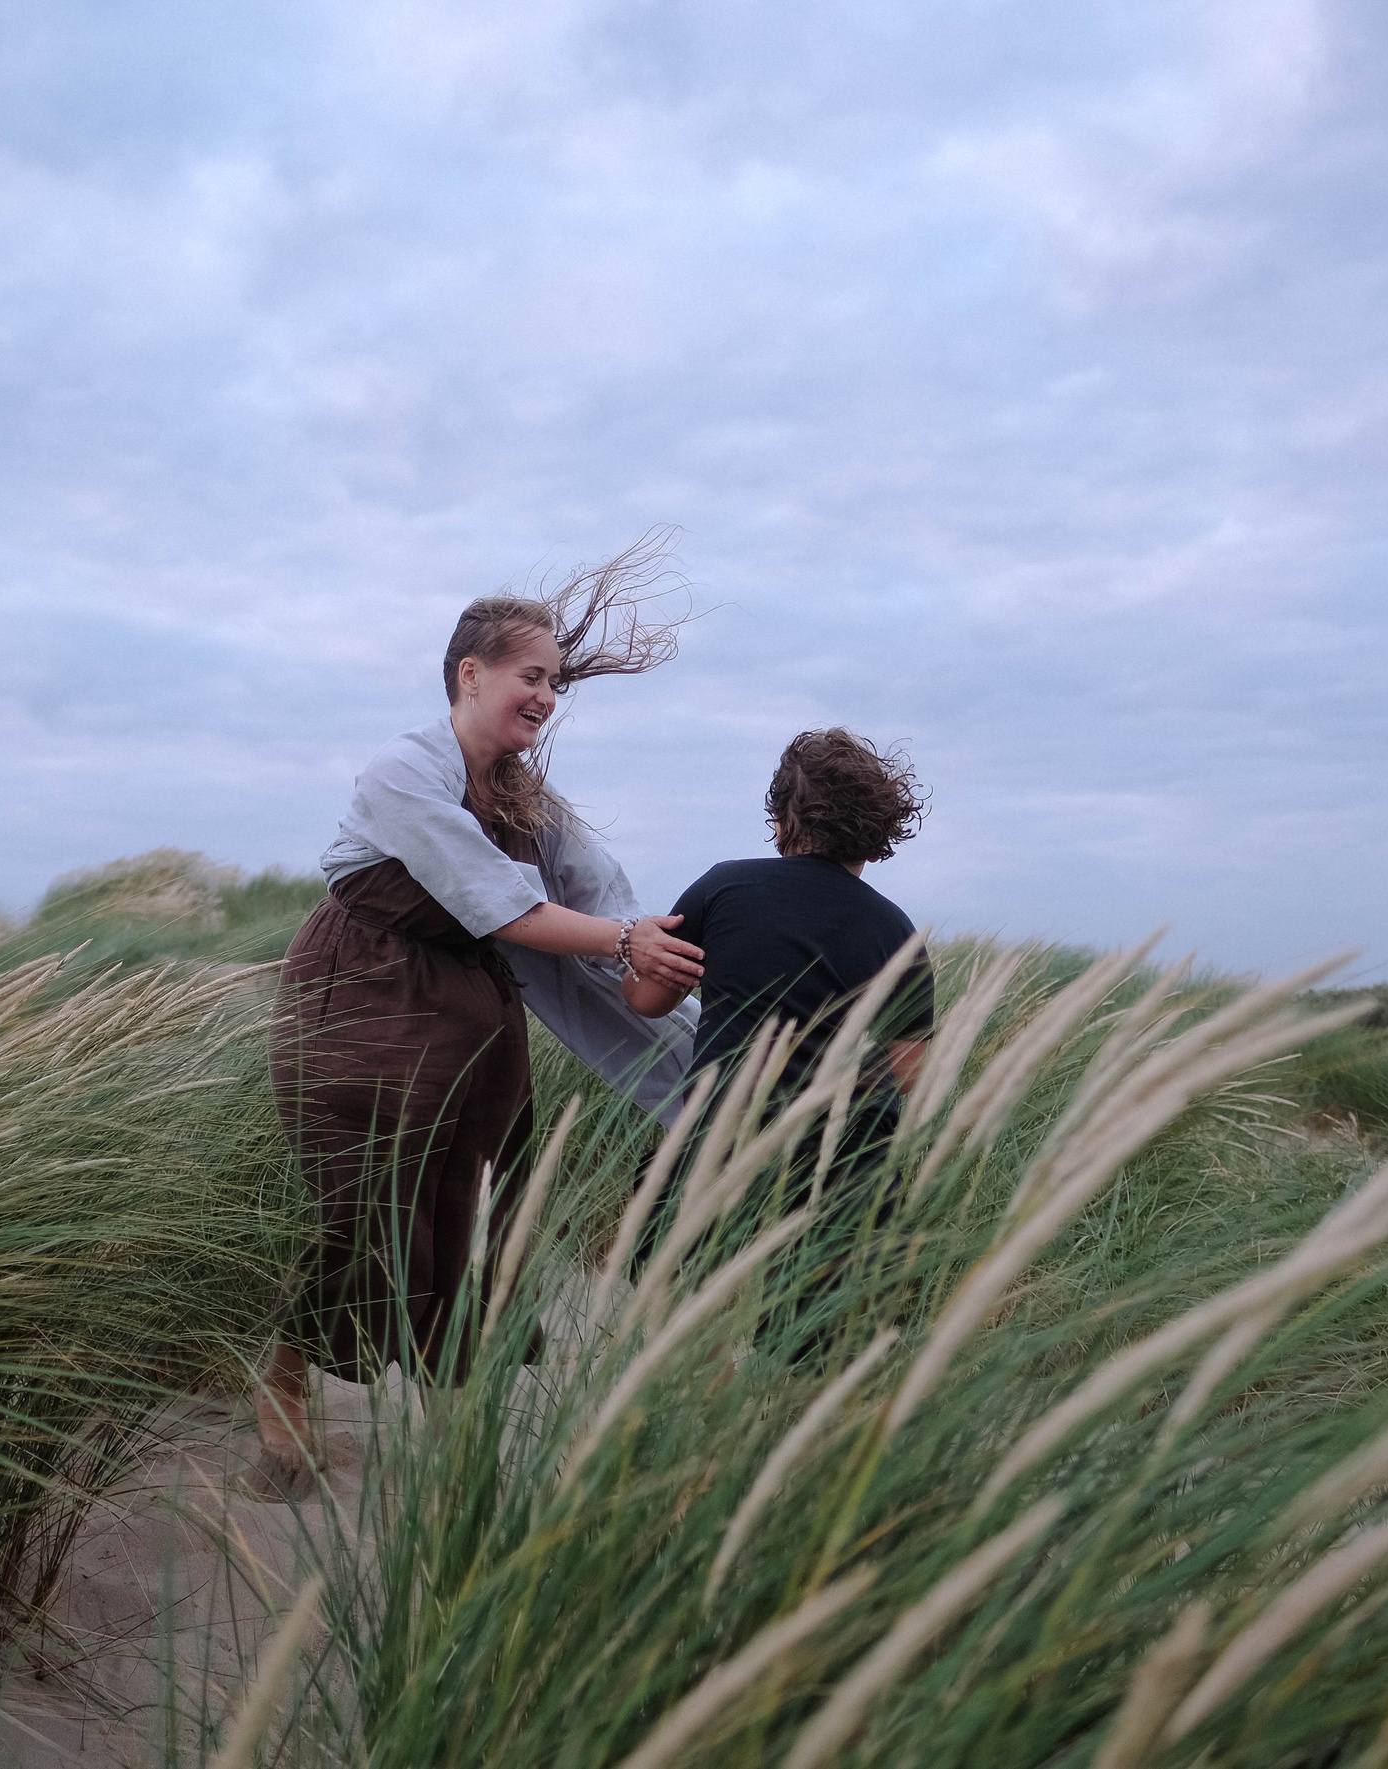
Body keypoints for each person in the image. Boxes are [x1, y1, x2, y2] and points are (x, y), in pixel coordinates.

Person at [257, 540, 705, 1493]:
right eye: (530, 676)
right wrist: (624, 939)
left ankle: (455, 1434)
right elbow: (500, 904)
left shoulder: (531, 800)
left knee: (469, 1214)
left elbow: (603, 897)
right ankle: (283, 1382)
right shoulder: (403, 770)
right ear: (470, 673)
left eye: (555, 682)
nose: (546, 696)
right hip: (361, 1000)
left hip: (474, 1022)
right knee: (363, 1211)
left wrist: (667, 962)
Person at [621, 728, 936, 1344]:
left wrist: (630, 955)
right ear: (877, 830)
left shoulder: (724, 888)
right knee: (817, 1350)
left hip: (722, 1148)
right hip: (848, 1164)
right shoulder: (896, 931)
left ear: (782, 821)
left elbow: (648, 1001)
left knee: (684, 1328)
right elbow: (910, 1076)